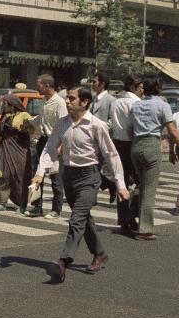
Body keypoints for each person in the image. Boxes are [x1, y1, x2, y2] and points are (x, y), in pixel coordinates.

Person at [34, 87, 129, 284]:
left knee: (76, 218)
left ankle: (63, 262)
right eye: (67, 98)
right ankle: (100, 253)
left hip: (89, 177)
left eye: (71, 98)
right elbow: (50, 148)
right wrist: (39, 174)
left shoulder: (97, 125)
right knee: (83, 217)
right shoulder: (62, 124)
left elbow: (111, 154)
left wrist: (121, 185)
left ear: (84, 102)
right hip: (68, 175)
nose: (67, 101)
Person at [127, 74, 179, 240]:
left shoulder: (136, 106)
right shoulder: (162, 105)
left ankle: (128, 217)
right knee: (149, 189)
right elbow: (172, 130)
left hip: (136, 145)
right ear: (158, 89)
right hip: (152, 144)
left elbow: (129, 130)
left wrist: (138, 141)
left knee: (141, 184)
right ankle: (145, 229)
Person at [108, 74, 143, 234]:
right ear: (132, 87)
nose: (143, 90)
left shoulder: (116, 103)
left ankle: (123, 218)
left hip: (118, 144)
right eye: (140, 86)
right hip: (132, 144)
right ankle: (132, 215)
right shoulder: (136, 103)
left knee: (121, 182)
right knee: (138, 181)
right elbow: (135, 128)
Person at [31, 75, 67, 219]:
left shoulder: (59, 103)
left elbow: (65, 125)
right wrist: (30, 123)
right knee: (37, 174)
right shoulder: (43, 101)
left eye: (38, 85)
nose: (37, 88)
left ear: (47, 86)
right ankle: (35, 206)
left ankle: (56, 210)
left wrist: (62, 144)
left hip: (56, 141)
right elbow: (41, 118)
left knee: (56, 177)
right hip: (43, 140)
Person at [0, 94, 34, 216]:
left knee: (19, 176)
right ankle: (2, 203)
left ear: (13, 106)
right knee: (3, 174)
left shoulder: (24, 115)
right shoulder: (5, 116)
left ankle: (21, 204)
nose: (4, 107)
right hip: (5, 149)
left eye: (6, 105)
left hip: (19, 150)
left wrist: (23, 128)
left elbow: (32, 130)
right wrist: (4, 119)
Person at [89, 71, 117, 203]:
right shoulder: (93, 99)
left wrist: (100, 127)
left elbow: (113, 121)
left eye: (94, 81)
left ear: (102, 84)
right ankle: (97, 191)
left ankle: (110, 185)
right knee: (93, 168)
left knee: (98, 168)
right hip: (91, 139)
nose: (92, 84)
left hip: (104, 139)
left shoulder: (111, 100)